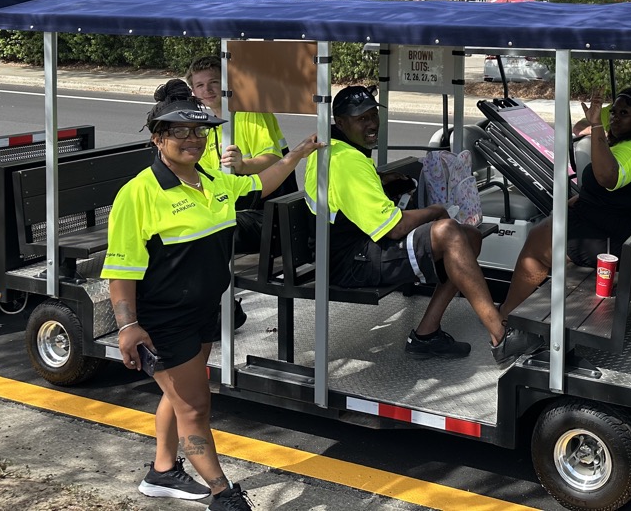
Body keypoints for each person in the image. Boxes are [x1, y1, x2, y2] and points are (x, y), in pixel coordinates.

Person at [103, 80, 322, 509]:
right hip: (165, 318)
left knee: (179, 395)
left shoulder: (216, 182)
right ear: (157, 138)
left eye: (199, 132)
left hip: (203, 309)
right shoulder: (138, 194)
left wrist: (295, 155)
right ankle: (222, 492)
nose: (193, 140)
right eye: (180, 132)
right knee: (195, 407)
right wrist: (128, 325)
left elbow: (261, 183)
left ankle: (162, 471)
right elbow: (121, 269)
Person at [303, 85, 524, 363]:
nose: (372, 124)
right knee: (449, 233)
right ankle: (501, 335)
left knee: (470, 237)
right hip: (350, 262)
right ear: (341, 122)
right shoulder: (345, 161)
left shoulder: (339, 149)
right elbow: (392, 228)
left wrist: (385, 183)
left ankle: (426, 335)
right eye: (362, 119)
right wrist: (435, 211)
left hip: (357, 248)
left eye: (373, 115)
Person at [499, 87, 631, 328]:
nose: (615, 117)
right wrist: (582, 199)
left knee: (537, 245)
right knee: (548, 229)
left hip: (617, 241)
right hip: (619, 229)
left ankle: (507, 317)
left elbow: (607, 177)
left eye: (624, 113)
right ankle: (528, 313)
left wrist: (596, 127)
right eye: (613, 112)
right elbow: (618, 192)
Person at [186, 55, 292, 251]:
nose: (207, 90)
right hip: (239, 208)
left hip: (269, 218)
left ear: (227, 83)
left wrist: (243, 165)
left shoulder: (249, 111)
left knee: (201, 232)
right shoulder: (209, 128)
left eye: (213, 83)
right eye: (199, 85)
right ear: (193, 91)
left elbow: (274, 158)